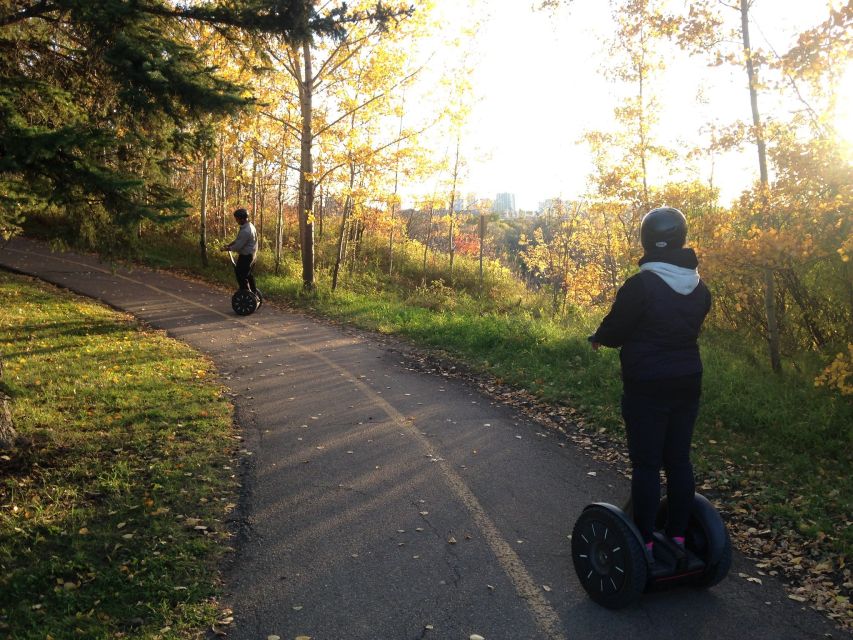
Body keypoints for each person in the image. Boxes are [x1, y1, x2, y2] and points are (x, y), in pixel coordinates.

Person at [588, 207, 711, 560]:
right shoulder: (701, 288)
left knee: (646, 465)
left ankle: (643, 542)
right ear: (681, 238)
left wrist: (599, 337)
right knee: (678, 461)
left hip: (647, 384)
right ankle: (678, 536)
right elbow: (686, 325)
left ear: (646, 239)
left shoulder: (640, 285)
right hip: (688, 380)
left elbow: (617, 328)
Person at [222, 208, 262, 303]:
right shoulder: (249, 226)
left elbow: (239, 246)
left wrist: (227, 249)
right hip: (252, 255)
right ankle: (253, 291)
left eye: (237, 219)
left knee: (240, 275)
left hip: (246, 256)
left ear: (242, 219)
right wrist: (229, 245)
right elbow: (238, 240)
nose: (236, 221)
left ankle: (246, 293)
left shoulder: (246, 231)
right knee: (248, 275)